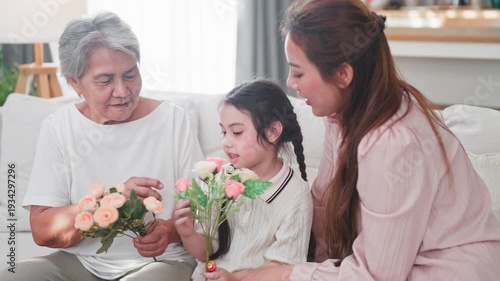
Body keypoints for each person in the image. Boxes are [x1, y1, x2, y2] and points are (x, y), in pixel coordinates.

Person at [238, 0, 500, 280]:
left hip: (450, 271)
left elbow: (376, 275)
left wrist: (288, 274)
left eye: (299, 71)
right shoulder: (345, 112)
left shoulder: (395, 145)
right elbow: (324, 201)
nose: (290, 82)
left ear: (343, 74)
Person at [0, 12, 203, 281]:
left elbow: (203, 211)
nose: (122, 90)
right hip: (81, 262)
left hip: (161, 263)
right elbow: (43, 230)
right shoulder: (59, 127)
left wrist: (169, 230)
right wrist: (111, 201)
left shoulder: (173, 119)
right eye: (105, 81)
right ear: (74, 82)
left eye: (130, 74)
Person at [173, 79, 313, 281]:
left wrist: (235, 278)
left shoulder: (295, 195)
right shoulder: (219, 179)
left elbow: (284, 269)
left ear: (272, 131)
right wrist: (187, 233)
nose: (226, 142)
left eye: (237, 132)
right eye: (223, 132)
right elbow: (206, 251)